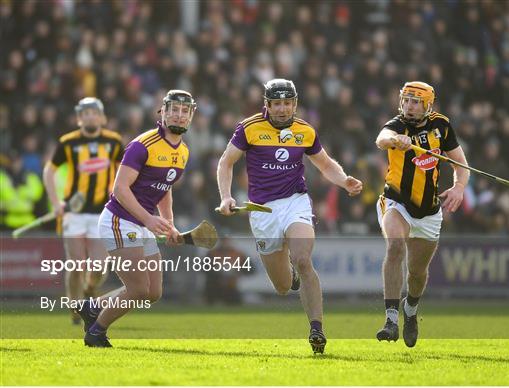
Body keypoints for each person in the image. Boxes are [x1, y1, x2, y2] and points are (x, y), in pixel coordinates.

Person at [217, 78, 363, 354]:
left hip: (295, 202)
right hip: (262, 211)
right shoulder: (248, 128)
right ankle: (292, 277)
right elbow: (226, 163)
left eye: (287, 103)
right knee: (283, 286)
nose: (282, 109)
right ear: (267, 105)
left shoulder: (305, 131)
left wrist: (344, 181)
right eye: (277, 104)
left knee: (303, 259)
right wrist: (226, 196)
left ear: (295, 104)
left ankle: (316, 329)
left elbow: (325, 164)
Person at [75, 90, 196, 347]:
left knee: (152, 292)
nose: (179, 115)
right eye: (174, 109)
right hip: (119, 220)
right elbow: (119, 189)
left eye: (185, 111)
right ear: (162, 112)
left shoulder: (183, 151)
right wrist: (150, 220)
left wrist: (168, 223)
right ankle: (96, 332)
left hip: (142, 223)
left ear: (191, 116)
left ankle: (92, 307)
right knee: (138, 288)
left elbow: (166, 187)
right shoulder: (143, 145)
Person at [374, 81, 470, 347]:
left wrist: (459, 187)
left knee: (417, 273)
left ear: (428, 105)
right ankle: (391, 319)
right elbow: (381, 139)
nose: (410, 106)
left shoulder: (441, 126)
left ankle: (410, 310)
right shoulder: (396, 126)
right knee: (395, 247)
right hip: (397, 203)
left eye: (416, 102)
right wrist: (395, 140)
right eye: (406, 100)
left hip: (428, 211)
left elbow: (461, 165)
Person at [43, 97, 123, 325]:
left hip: (101, 214)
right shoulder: (68, 143)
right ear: (79, 118)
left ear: (102, 117)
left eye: (94, 113)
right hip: (74, 214)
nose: (90, 117)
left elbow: (125, 172)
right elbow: (49, 171)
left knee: (98, 267)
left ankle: (89, 291)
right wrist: (55, 202)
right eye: (85, 113)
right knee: (76, 265)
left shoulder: (114, 142)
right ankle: (74, 308)